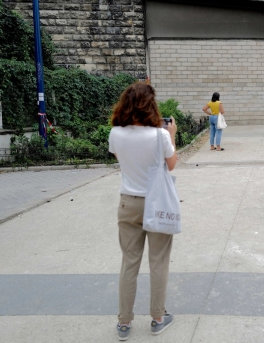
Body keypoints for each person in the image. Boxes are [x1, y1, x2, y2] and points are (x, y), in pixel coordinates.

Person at [108, 82, 178, 341]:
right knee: (158, 261)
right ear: (150, 106)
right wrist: (171, 135)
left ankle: (124, 323)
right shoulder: (159, 136)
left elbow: (124, 163)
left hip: (128, 202)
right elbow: (170, 165)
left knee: (129, 262)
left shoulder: (115, 133)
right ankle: (158, 318)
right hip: (156, 202)